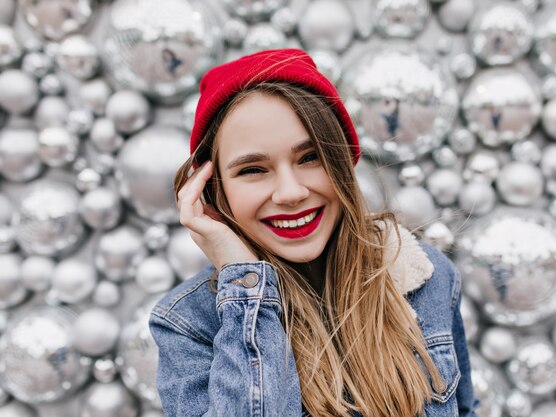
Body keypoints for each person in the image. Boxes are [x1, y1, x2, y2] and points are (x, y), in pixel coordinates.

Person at [149, 48, 480, 417]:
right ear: (213, 190)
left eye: (310, 157)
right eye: (253, 170)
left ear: (340, 160)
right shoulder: (189, 325)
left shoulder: (423, 275)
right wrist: (246, 293)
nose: (291, 193)